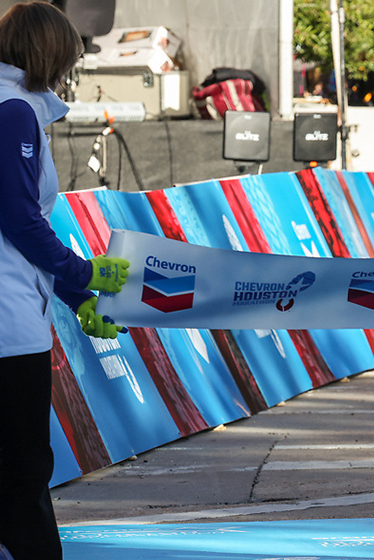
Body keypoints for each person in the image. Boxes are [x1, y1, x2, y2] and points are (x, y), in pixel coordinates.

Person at [0, 3, 130, 560]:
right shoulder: (13, 110)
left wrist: (77, 296)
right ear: (51, 54)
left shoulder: (15, 105)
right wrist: (83, 273)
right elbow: (20, 218)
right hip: (9, 327)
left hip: (15, 311)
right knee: (23, 471)